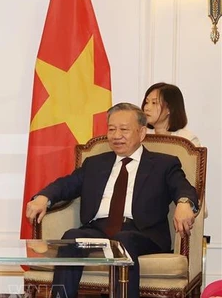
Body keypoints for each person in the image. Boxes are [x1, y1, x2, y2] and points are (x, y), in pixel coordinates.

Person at [25, 102, 198, 298]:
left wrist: (184, 202)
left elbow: (183, 187)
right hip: (98, 229)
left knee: (122, 241)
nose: (116, 136)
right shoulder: (95, 163)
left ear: (141, 133)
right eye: (112, 129)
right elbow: (67, 184)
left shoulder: (164, 163)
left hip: (142, 233)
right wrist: (43, 197)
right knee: (71, 237)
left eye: (124, 129)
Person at [142, 82, 200, 146]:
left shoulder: (187, 141)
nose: (147, 108)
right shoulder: (141, 136)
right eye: (147, 102)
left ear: (169, 108)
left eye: (154, 103)